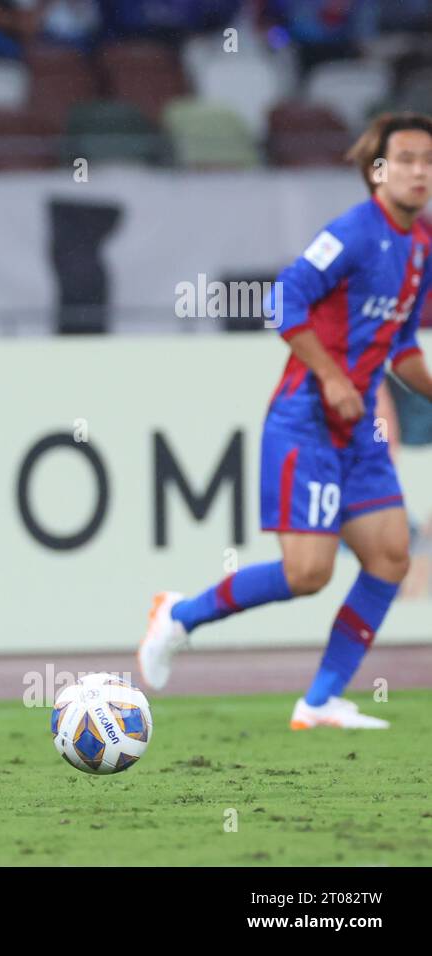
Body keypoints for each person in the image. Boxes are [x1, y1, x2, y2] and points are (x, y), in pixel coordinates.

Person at [140, 113, 432, 729]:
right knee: (308, 574)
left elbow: (402, 343)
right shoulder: (352, 233)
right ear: (377, 170)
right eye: (405, 158)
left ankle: (320, 699)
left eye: (428, 160)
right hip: (306, 419)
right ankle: (179, 615)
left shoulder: (420, 247)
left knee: (390, 557)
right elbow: (283, 298)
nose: (419, 171)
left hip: (360, 434)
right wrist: (329, 375)